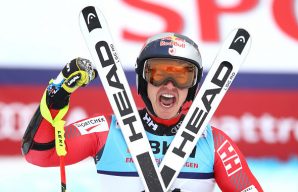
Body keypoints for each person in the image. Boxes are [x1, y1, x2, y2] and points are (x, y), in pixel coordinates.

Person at [22, 32, 263, 192]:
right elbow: (38, 154)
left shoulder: (215, 143)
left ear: (192, 87)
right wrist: (57, 94)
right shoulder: (107, 130)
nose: (169, 85)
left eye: (181, 76)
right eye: (158, 73)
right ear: (143, 80)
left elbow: (246, 187)